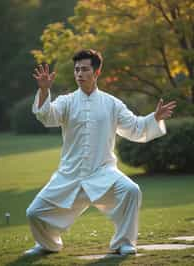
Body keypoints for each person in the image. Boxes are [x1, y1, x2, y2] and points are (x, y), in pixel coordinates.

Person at [25, 49, 176, 256]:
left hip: (103, 173)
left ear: (97, 72)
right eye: (77, 69)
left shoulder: (112, 103)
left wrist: (155, 117)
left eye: (85, 69)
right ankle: (47, 245)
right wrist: (43, 91)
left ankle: (124, 242)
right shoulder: (66, 101)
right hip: (69, 174)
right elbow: (46, 116)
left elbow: (135, 128)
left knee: (131, 190)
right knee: (34, 212)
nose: (79, 74)